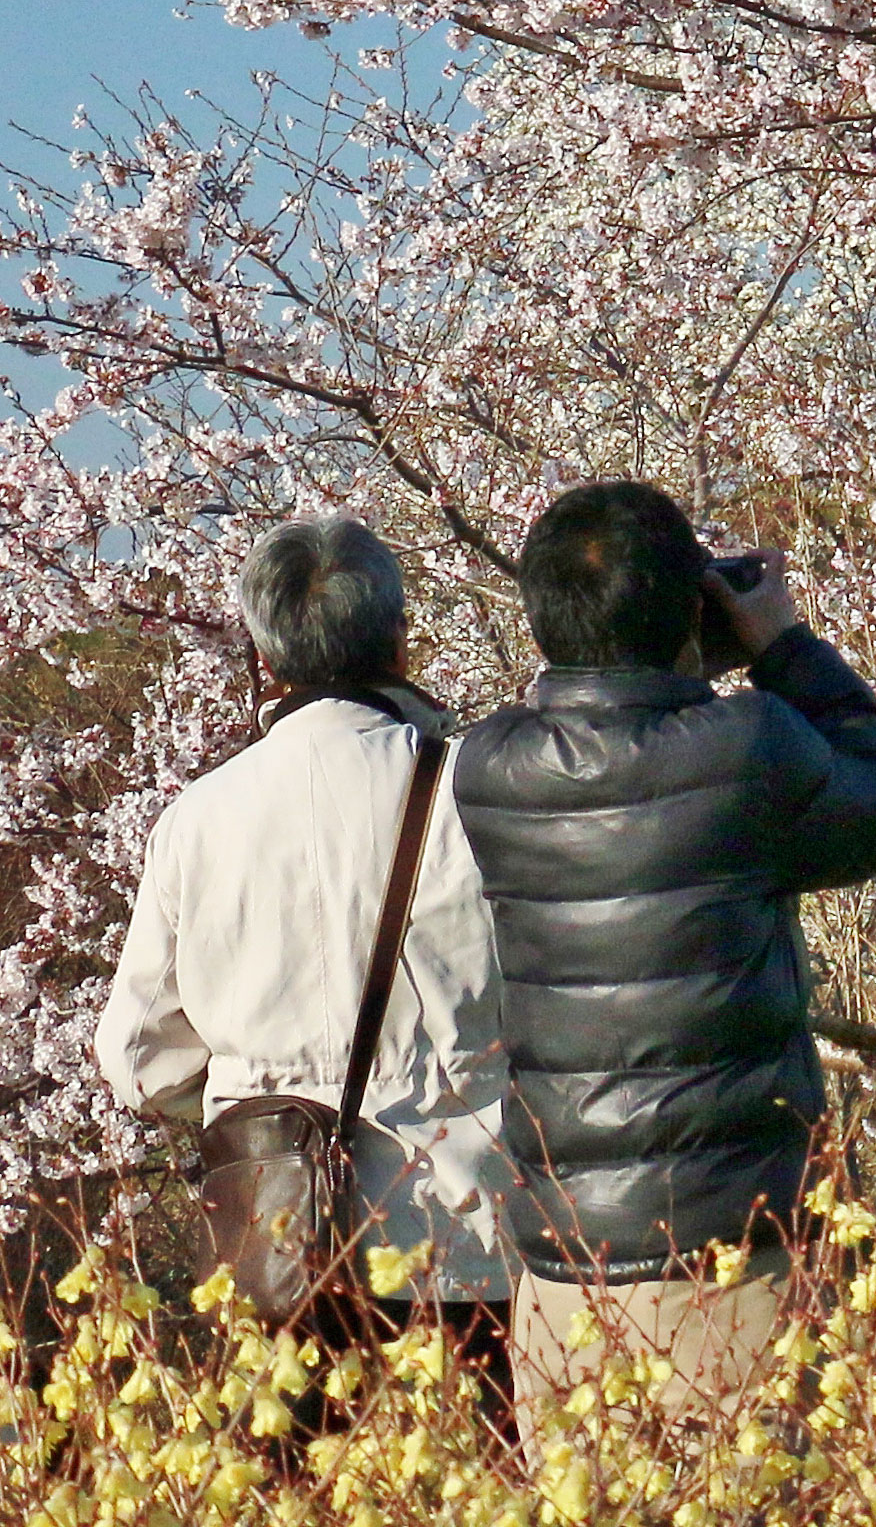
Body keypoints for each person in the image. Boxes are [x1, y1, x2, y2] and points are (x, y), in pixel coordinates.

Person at [453, 483, 876, 1440]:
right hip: (728, 1268)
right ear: (689, 608)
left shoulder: (490, 766)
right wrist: (782, 647)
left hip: (562, 1274)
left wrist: (671, 654)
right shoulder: (747, 746)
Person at [95, 517, 518, 1422]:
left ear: (265, 654)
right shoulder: (476, 792)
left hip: (277, 1245)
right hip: (468, 1239)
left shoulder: (198, 819)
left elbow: (136, 1057)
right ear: (400, 638)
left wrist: (263, 1092)